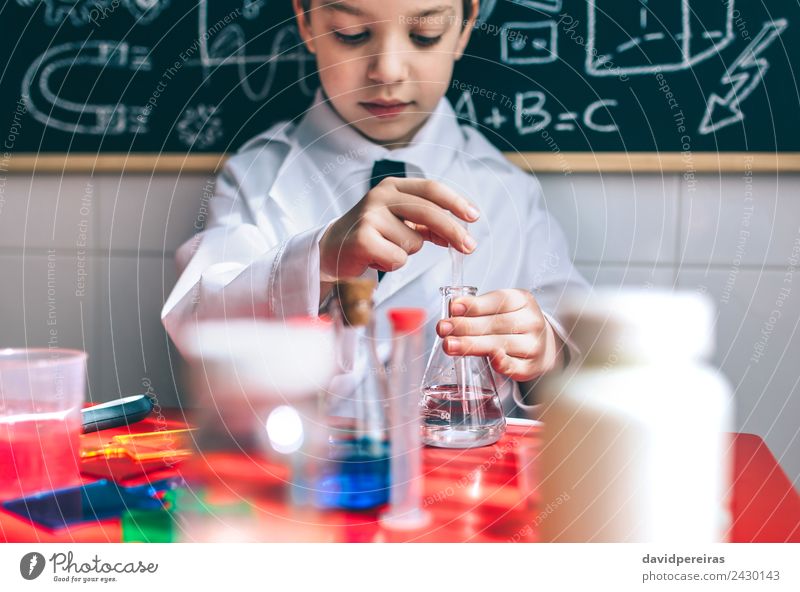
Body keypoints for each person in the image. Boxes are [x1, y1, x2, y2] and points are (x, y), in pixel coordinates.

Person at [162, 0, 587, 415]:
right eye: (352, 34)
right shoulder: (259, 177)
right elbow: (200, 322)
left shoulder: (509, 190)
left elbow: (589, 350)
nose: (386, 70)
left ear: (464, 24)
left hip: (465, 472)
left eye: (424, 35)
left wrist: (546, 349)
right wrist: (318, 257)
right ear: (307, 22)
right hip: (301, 473)